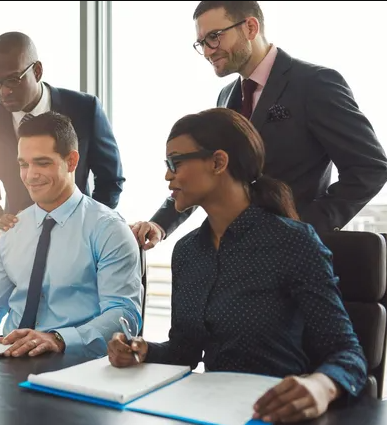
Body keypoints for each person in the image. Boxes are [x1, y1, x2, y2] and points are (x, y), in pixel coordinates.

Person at [107, 108, 368, 423]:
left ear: (218, 162)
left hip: (278, 412)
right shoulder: (187, 252)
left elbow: (348, 355)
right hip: (212, 411)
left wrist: (321, 386)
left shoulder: (293, 242)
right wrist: (142, 351)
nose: (167, 175)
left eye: (175, 162)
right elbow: (184, 354)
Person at [132, 0, 387, 249]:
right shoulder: (226, 97)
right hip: (236, 251)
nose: (208, 50)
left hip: (293, 257)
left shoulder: (315, 84)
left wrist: (304, 227)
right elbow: (211, 174)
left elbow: (370, 168)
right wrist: (160, 224)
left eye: (215, 36)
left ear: (250, 28)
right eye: (202, 42)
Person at [0, 111, 142, 359]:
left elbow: (123, 316)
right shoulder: (10, 230)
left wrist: (59, 339)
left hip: (78, 365)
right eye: (23, 164)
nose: (30, 175)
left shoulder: (108, 229)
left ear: (72, 161)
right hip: (10, 360)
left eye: (42, 163)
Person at [0, 31, 125, 238]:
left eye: (13, 80)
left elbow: (110, 179)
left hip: (79, 235)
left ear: (38, 71)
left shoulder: (85, 109)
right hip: (18, 238)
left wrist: (90, 225)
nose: (3, 91)